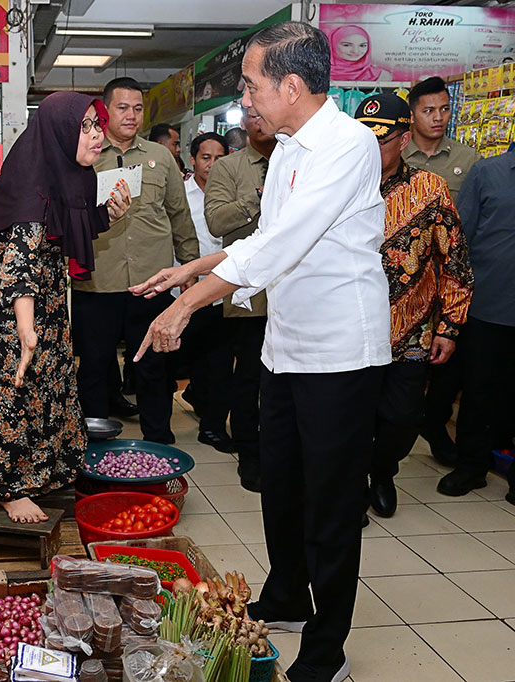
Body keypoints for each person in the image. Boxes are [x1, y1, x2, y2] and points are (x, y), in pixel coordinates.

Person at [131, 22, 389, 682]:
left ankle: (327, 649)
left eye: (251, 85)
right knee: (278, 482)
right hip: (287, 347)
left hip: (340, 355)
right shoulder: (290, 149)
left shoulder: (347, 145)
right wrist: (190, 271)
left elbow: (278, 248)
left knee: (330, 508)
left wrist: (188, 304)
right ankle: (286, 596)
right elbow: (264, 238)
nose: (244, 99)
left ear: (292, 86)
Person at [0, 91, 131, 523]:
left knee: (52, 375)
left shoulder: (66, 173)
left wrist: (108, 215)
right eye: (87, 127)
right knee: (12, 384)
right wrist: (26, 330)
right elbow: (17, 264)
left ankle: (48, 470)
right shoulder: (32, 189)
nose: (99, 135)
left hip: (42, 290)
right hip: (5, 299)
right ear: (59, 132)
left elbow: (68, 226)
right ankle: (7, 485)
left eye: (98, 125)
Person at [352, 93, 474, 519]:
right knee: (348, 419)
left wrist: (450, 326)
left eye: (380, 141)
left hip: (412, 332)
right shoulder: (336, 187)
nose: (368, 149)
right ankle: (351, 491)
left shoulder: (429, 189)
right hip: (349, 331)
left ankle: (382, 471)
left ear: (403, 141)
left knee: (401, 419)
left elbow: (453, 259)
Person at [71, 77, 199, 444]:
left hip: (151, 281)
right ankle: (94, 443)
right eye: (122, 107)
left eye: (138, 108)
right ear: (105, 111)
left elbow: (179, 216)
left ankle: (158, 440)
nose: (131, 115)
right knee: (94, 367)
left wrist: (188, 268)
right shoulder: (85, 159)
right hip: (97, 282)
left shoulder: (160, 158)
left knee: (152, 366)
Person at [403, 76, 483, 465]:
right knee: (407, 366)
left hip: (450, 279)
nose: (438, 117)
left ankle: (434, 424)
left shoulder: (468, 160)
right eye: (428, 110)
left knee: (449, 361)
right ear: (412, 113)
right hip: (407, 281)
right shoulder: (397, 157)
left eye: (444, 109)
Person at [204, 106, 277, 492]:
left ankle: (284, 454)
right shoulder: (228, 169)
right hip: (250, 292)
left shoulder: (297, 159)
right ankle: (250, 455)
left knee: (286, 381)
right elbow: (216, 222)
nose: (261, 120)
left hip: (294, 290)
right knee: (249, 377)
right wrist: (259, 198)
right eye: (253, 114)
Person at [437, 146, 515, 503]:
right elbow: (458, 237)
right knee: (480, 389)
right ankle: (471, 466)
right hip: (489, 304)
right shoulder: (488, 173)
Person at [180, 132, 234, 453]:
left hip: (223, 292)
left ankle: (212, 427)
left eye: (219, 158)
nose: (212, 165)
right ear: (193, 160)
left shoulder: (233, 194)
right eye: (205, 158)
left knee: (221, 363)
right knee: (187, 359)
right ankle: (195, 394)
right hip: (186, 294)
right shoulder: (182, 195)